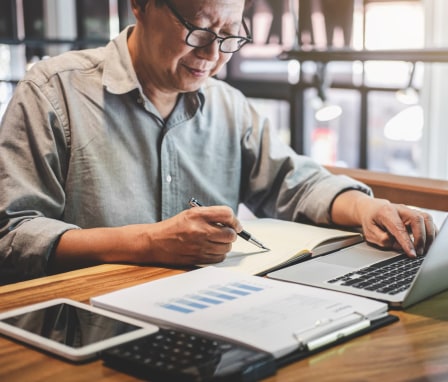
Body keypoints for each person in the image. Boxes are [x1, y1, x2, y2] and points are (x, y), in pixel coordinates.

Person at [0, 0, 436, 284]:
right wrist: (147, 243)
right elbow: (12, 236)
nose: (213, 54)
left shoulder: (228, 105)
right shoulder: (53, 91)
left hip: (205, 314)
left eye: (231, 33)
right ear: (139, 6)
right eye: (200, 29)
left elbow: (294, 182)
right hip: (78, 322)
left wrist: (368, 209)